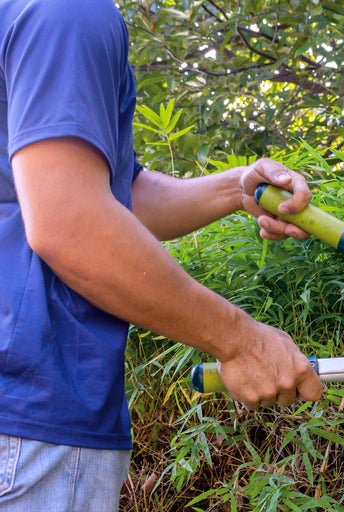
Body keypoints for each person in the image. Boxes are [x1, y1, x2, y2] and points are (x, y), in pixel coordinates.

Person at [0, 0, 323, 510]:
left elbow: (112, 197)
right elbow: (69, 224)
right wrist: (240, 341)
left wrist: (236, 189)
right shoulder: (66, 11)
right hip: (32, 412)